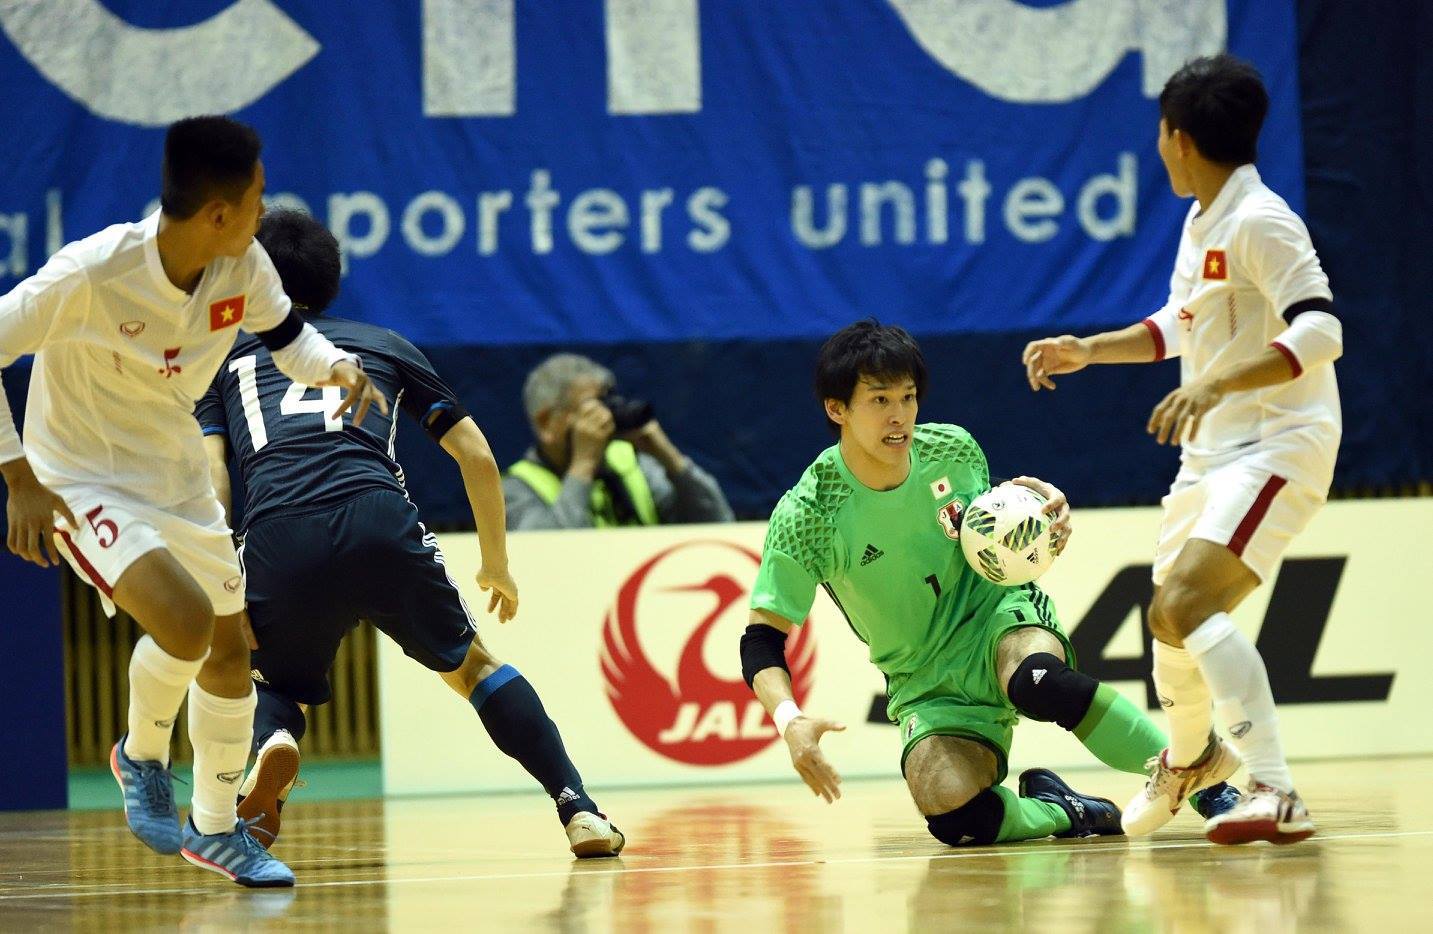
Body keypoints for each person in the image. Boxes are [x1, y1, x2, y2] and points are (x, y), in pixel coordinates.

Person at [0, 117, 384, 887]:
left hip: (171, 469)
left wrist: (335, 366)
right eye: (257, 197)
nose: (264, 210)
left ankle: (216, 831)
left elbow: (289, 342)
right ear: (217, 212)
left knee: (231, 648)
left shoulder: (243, 266)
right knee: (179, 620)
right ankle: (141, 755)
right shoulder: (90, 274)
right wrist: (18, 478)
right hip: (79, 473)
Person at [196, 209, 624, 858]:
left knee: (272, 685)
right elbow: (476, 455)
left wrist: (223, 581)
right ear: (331, 282)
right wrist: (495, 565)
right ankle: (578, 809)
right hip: (379, 521)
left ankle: (274, 743)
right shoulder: (385, 344)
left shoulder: (223, 361)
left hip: (280, 534)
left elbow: (212, 481)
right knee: (475, 667)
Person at [740, 320, 1237, 848]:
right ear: (836, 409)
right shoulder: (809, 515)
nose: (899, 416)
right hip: (923, 678)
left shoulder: (953, 451)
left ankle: (1206, 786)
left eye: (908, 397)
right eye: (879, 400)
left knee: (1038, 682)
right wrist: (789, 720)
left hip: (996, 616)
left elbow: (995, 529)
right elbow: (762, 639)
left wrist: (1043, 520)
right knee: (953, 815)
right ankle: (1062, 810)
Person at [1022, 54, 1338, 845]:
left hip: (1274, 441)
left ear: (1179, 137)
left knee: (1187, 605)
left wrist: (1217, 384)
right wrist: (1087, 350)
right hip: (1212, 452)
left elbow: (1321, 328)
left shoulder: (1260, 220)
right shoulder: (1203, 218)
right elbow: (1179, 324)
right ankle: (1191, 760)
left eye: (1160, 133)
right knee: (1167, 620)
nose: (1157, 146)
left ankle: (1275, 787)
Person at [503, 353, 733, 529]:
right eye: (593, 407)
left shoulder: (631, 465)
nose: (606, 417)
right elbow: (544, 558)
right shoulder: (514, 489)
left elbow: (718, 523)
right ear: (546, 423)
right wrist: (582, 466)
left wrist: (670, 458)